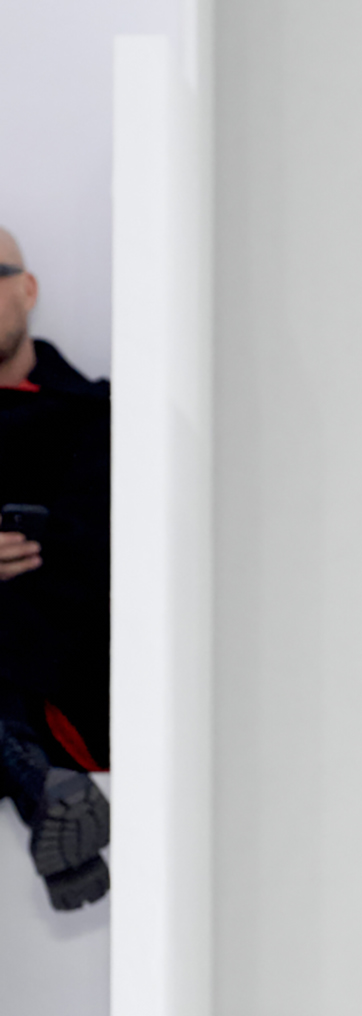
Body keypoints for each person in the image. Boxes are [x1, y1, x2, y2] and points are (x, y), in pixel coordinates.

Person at [0, 226, 112, 911]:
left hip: (63, 681)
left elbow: (101, 557)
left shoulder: (95, 415)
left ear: (28, 288)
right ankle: (43, 792)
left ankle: (37, 780)